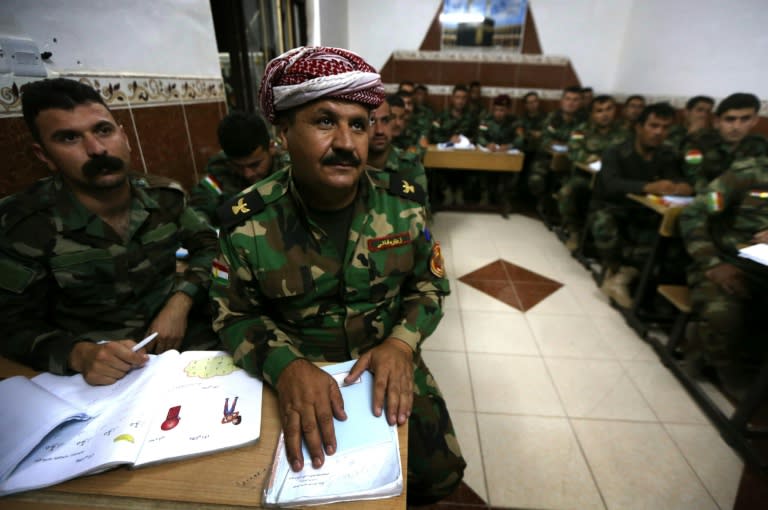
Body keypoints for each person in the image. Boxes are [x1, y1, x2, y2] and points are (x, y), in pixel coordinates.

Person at [209, 46, 465, 505]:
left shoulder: (402, 203)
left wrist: (402, 343)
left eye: (359, 125)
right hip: (295, 371)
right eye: (325, 121)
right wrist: (285, 367)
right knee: (280, 490)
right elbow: (233, 315)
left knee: (438, 475)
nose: (347, 143)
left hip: (386, 362)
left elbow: (430, 284)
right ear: (283, 134)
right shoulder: (246, 222)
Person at [0, 78, 219, 385]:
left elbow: (211, 246)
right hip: (98, 376)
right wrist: (77, 354)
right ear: (44, 156)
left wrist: (180, 302)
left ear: (124, 136)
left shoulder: (164, 197)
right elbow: (9, 325)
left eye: (103, 130)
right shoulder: (24, 224)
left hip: (182, 346)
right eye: (69, 139)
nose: (97, 149)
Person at [679, 155, 768, 397]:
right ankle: (725, 364)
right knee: (723, 313)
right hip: (731, 265)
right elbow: (693, 215)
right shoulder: (746, 175)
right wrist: (711, 264)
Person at [591, 102, 693, 307]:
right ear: (639, 127)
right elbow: (610, 185)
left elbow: (678, 180)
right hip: (615, 208)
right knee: (603, 222)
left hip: (649, 213)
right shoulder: (616, 152)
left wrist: (682, 187)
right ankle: (617, 271)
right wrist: (648, 186)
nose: (658, 132)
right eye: (653, 126)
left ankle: (625, 278)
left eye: (665, 128)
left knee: (672, 237)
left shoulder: (667, 155)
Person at [558, 95, 628, 250]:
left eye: (609, 109)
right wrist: (589, 158)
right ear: (592, 114)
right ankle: (574, 231)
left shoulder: (624, 133)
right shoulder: (581, 130)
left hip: (614, 180)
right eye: (599, 111)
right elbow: (573, 151)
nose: (605, 114)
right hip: (586, 177)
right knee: (566, 192)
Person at [189, 112, 277, 227]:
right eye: (238, 166)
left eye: (255, 165)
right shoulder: (220, 173)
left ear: (271, 148)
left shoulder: (291, 168)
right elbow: (198, 211)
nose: (247, 174)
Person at [681, 93, 768, 192]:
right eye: (730, 119)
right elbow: (695, 179)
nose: (736, 127)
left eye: (745, 119)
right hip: (708, 200)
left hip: (750, 200)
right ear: (717, 122)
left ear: (755, 120)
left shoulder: (760, 144)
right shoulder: (697, 143)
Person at [527, 85, 582, 209]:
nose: (571, 103)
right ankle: (541, 203)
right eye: (568, 99)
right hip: (547, 158)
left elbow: (579, 145)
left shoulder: (584, 121)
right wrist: (564, 144)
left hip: (572, 162)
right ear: (562, 101)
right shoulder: (552, 117)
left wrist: (559, 143)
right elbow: (545, 139)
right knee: (535, 179)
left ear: (580, 102)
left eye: (575, 100)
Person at [368, 96, 429, 193]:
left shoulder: (409, 166)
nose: (379, 130)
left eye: (385, 120)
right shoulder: (350, 165)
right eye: (371, 122)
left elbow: (421, 205)